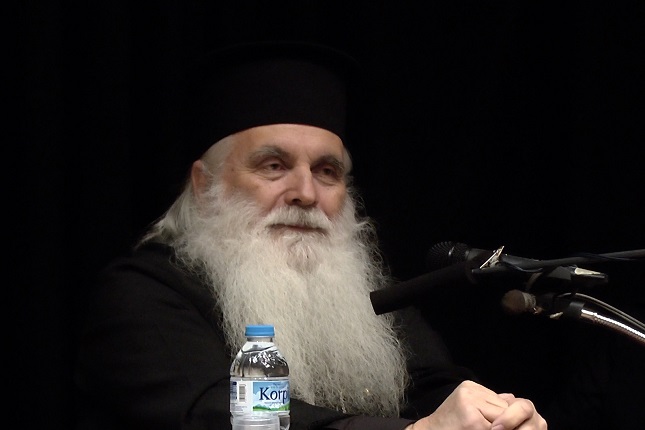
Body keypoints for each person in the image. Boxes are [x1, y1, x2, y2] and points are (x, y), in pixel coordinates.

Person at [73, 41, 547, 430]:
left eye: (326, 171)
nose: (305, 192)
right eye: (273, 166)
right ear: (205, 184)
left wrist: (493, 416)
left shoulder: (364, 295)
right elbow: (223, 415)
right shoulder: (143, 291)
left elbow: (432, 384)